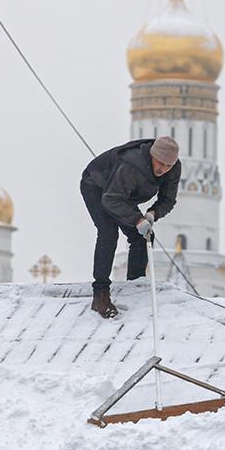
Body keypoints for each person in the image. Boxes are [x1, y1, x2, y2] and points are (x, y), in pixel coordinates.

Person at [80, 136, 181, 318]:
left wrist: (152, 214)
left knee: (143, 236)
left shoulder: (172, 169)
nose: (163, 170)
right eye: (160, 164)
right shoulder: (131, 165)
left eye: (169, 166)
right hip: (96, 187)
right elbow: (110, 199)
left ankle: (135, 286)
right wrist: (136, 219)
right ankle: (100, 295)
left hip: (123, 194)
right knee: (108, 232)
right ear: (152, 156)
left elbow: (168, 200)